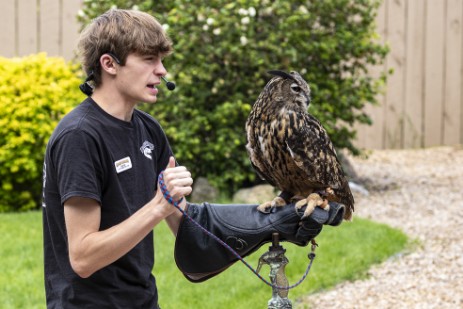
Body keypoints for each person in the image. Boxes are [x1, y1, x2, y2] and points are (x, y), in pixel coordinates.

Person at [42, 8, 345, 309]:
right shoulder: (79, 137)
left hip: (143, 300)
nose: (162, 71)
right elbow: (83, 257)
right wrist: (159, 206)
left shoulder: (148, 130)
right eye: (149, 59)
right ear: (109, 64)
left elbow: (190, 230)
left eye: (162, 60)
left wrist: (269, 223)